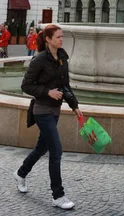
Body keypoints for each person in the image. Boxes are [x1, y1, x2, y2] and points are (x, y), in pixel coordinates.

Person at [13, 24, 83, 210]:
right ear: (49, 40)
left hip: (55, 111)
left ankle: (21, 173)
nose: (61, 39)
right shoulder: (39, 60)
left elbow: (65, 86)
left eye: (62, 36)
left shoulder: (62, 58)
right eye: (58, 37)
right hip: (42, 110)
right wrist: (48, 92)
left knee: (40, 148)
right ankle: (58, 196)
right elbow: (26, 86)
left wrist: (75, 106)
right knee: (56, 151)